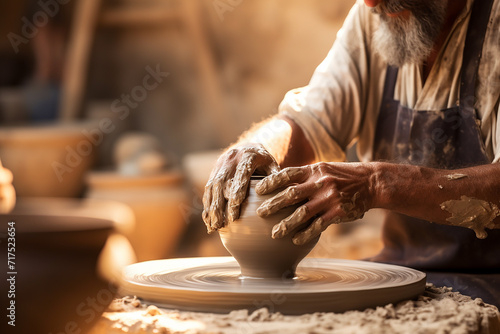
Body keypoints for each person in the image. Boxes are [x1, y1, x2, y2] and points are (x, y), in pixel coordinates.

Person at [202, 0, 500, 306]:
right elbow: (307, 123)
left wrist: (376, 183)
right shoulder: (375, 16)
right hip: (406, 273)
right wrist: (256, 148)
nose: (370, 2)